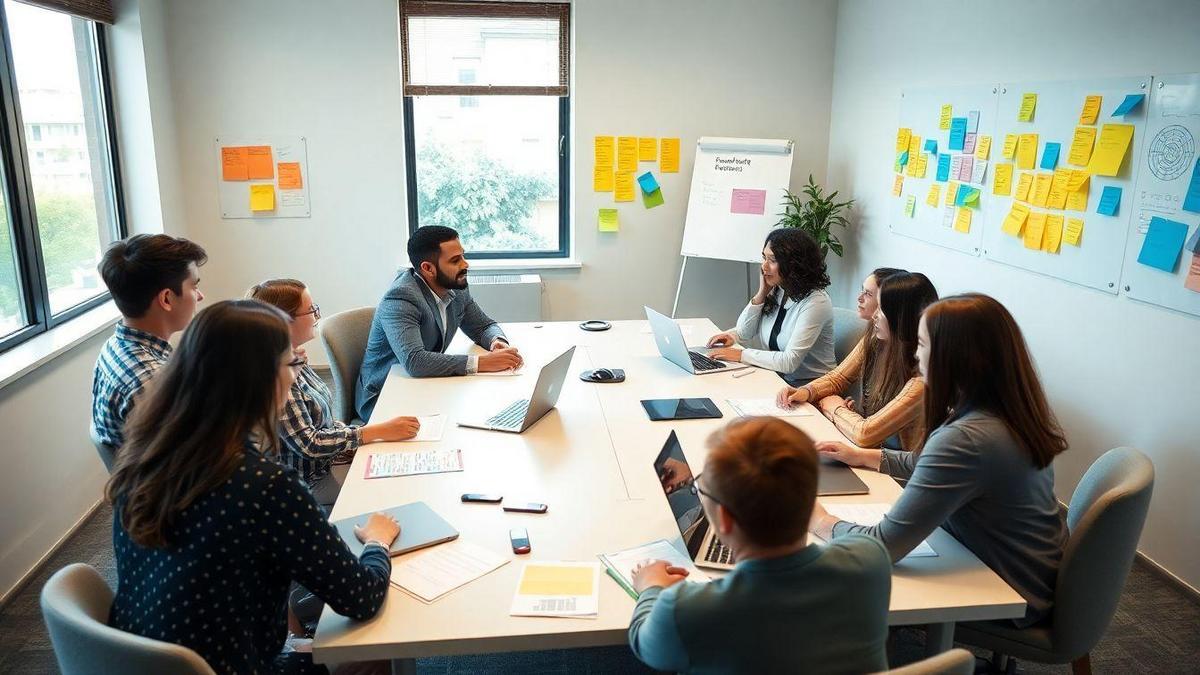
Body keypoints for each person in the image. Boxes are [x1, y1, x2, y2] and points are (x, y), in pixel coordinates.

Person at [105, 300, 397, 674]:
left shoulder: (141, 461)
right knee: (373, 645)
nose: (295, 376)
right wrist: (377, 542)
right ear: (261, 377)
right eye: (292, 364)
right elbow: (362, 597)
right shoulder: (266, 486)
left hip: (143, 657)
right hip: (231, 664)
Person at [809, 294, 1068, 627]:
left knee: (838, 576)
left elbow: (884, 547)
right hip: (1025, 569)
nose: (916, 356)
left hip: (1006, 592)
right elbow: (931, 464)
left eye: (921, 344)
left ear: (953, 358)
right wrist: (865, 456)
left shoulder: (968, 438)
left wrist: (819, 520)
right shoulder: (1006, 412)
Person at [628, 417, 891, 673]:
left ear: (725, 518)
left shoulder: (685, 611)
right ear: (811, 501)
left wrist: (651, 587)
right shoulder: (871, 559)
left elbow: (645, 643)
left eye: (701, 488)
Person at [248, 279, 421, 506]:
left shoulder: (293, 356)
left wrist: (356, 437)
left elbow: (323, 422)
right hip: (308, 481)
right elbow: (309, 444)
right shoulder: (278, 376)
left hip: (328, 462)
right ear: (284, 320)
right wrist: (373, 432)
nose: (316, 315)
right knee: (390, 494)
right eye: (311, 310)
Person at [356, 225, 522, 420]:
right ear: (428, 268)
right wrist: (482, 363)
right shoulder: (401, 298)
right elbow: (415, 362)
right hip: (385, 396)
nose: (465, 264)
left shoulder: (456, 287)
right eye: (455, 260)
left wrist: (495, 342)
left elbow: (483, 326)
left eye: (463, 256)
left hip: (422, 385)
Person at [776, 270, 937, 452]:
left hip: (896, 472)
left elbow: (864, 434)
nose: (875, 315)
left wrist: (834, 407)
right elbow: (838, 378)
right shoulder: (876, 340)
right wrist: (805, 392)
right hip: (871, 452)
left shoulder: (921, 381)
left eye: (881, 309)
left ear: (901, 317)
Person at [92, 234, 207, 447]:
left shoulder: (115, 345)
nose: (200, 296)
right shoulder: (152, 382)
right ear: (166, 299)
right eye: (194, 286)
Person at [705, 229, 835, 386]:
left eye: (772, 260)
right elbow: (744, 332)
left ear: (794, 264)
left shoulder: (816, 302)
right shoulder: (779, 289)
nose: (764, 267)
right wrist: (761, 294)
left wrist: (741, 355)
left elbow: (789, 361)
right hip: (778, 379)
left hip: (812, 386)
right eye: (764, 258)